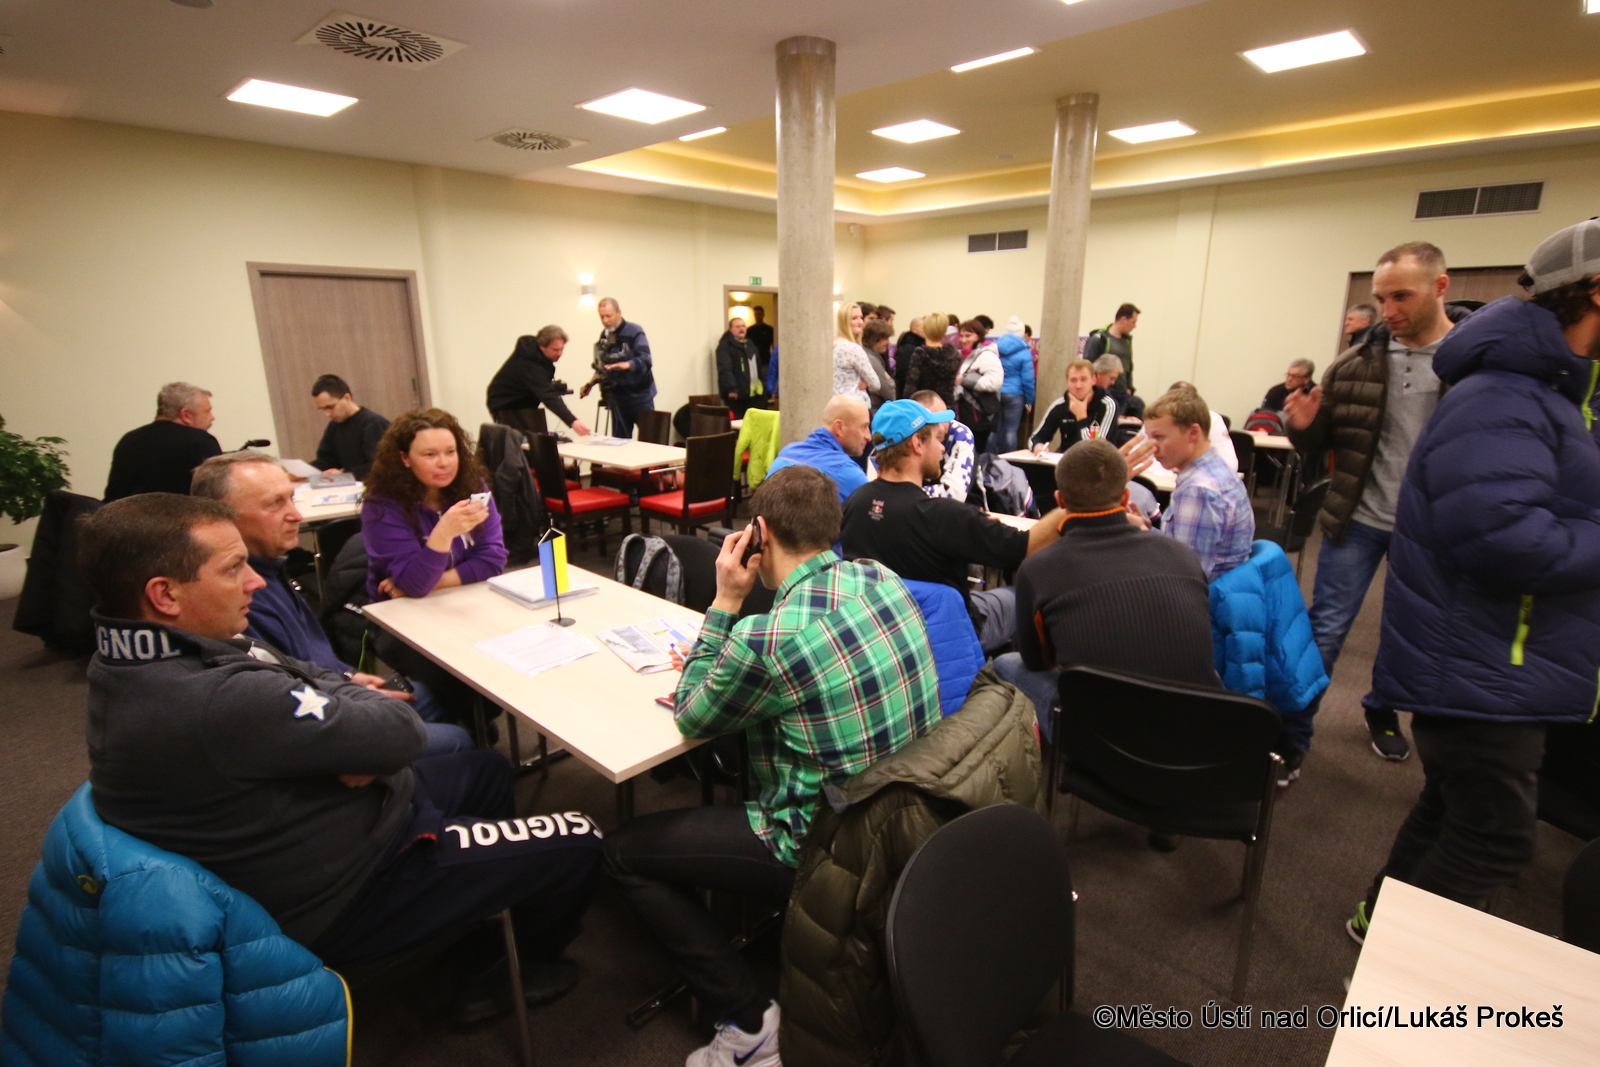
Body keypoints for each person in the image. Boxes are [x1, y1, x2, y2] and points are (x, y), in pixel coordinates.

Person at [78, 494, 602, 1024]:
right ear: (165, 594)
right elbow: (399, 728)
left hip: (327, 828)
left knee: (485, 770)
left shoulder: (130, 659)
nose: (254, 582)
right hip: (347, 888)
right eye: (233, 568)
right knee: (581, 835)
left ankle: (471, 908)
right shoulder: (218, 697)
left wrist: (346, 722)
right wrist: (357, 726)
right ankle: (501, 973)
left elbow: (308, 673)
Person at [604, 465, 940, 1067]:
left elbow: (692, 713)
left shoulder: (767, 637)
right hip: (904, 812)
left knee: (623, 853)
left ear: (758, 532)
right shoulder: (880, 577)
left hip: (821, 843)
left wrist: (725, 602)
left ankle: (750, 1022)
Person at [1347, 219, 1600, 943]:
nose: (1388, 309)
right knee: (1493, 838)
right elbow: (1504, 539)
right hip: (1484, 660)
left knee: (1452, 807)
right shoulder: (1505, 395)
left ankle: (1376, 922)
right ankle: (1398, 981)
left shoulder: (1543, 393)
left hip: (1495, 656)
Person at [1284, 242, 1467, 761]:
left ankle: (1382, 708)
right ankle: (1292, 738)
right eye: (1381, 298)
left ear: (1440, 287)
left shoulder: (1472, 364)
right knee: (1326, 629)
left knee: (1409, 634)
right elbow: (1323, 441)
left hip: (1433, 529)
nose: (1388, 311)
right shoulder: (1355, 363)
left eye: (1401, 296)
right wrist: (1302, 427)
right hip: (1359, 519)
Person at [189, 450, 471, 754]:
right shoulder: (240, 600)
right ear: (222, 519)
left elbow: (307, 661)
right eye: (274, 504)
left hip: (337, 690)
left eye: (291, 499)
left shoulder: (271, 569)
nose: (296, 515)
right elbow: (286, 706)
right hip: (325, 720)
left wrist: (349, 676)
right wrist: (353, 697)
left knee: (438, 695)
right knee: (457, 740)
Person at [993, 440, 1216, 734]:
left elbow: (1037, 662)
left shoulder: (1036, 569)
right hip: (1200, 728)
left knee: (1005, 663)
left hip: (1102, 737)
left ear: (1060, 501)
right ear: (1125, 497)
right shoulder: (1183, 554)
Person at [842, 399, 1065, 652]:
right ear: (917, 444)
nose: (942, 448)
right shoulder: (945, 517)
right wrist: (1073, 506)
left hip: (878, 634)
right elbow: (1027, 546)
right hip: (948, 636)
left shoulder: (853, 503)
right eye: (936, 440)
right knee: (1021, 598)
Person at [362, 408, 507, 603]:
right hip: (400, 609)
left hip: (463, 598)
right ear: (405, 458)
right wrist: (444, 533)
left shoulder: (473, 487)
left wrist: (433, 583)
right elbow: (414, 584)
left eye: (450, 452)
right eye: (430, 454)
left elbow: (493, 561)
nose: (444, 463)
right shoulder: (382, 504)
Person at [1143, 387, 1253, 581]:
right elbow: (1188, 547)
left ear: (1193, 433)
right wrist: (1146, 532)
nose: (1152, 447)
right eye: (1149, 438)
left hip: (1204, 596)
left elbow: (1187, 577)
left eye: (1159, 437)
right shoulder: (1218, 471)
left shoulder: (1198, 490)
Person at [103, 382, 222, 501]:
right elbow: (219, 493)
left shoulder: (129, 440)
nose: (212, 417)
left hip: (121, 512)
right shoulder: (200, 441)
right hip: (177, 513)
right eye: (207, 411)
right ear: (186, 415)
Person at [486, 326, 593, 436]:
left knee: (535, 439)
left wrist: (552, 387)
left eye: (562, 349)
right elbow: (548, 396)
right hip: (505, 404)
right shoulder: (530, 365)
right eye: (555, 350)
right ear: (542, 347)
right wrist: (573, 422)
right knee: (520, 441)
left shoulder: (537, 357)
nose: (560, 354)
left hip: (522, 401)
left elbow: (535, 385)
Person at [768, 395, 872, 504]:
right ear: (839, 428)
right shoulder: (849, 474)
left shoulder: (786, 453)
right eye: (864, 427)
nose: (868, 437)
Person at [581, 297, 657, 439]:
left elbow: (646, 359)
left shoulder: (635, 331)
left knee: (650, 440)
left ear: (619, 313)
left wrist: (627, 365)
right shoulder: (604, 335)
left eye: (608, 316)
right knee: (619, 442)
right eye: (602, 317)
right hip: (618, 399)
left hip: (640, 397)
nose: (605, 321)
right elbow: (602, 366)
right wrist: (589, 385)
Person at [310, 374, 390, 479]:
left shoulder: (373, 423)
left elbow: (381, 465)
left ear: (347, 398)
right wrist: (304, 471)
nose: (327, 414)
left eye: (330, 407)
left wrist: (344, 474)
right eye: (323, 409)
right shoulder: (334, 426)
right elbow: (328, 460)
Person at [1031, 358, 1118, 451]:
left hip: (1095, 459)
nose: (1078, 386)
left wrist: (1081, 418)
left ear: (1093, 380)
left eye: (1083, 379)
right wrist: (1038, 446)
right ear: (1067, 383)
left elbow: (1095, 450)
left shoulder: (1108, 405)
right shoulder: (1060, 404)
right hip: (1065, 457)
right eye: (1073, 380)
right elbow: (1034, 439)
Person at [910, 390, 975, 501]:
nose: (941, 428)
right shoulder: (906, 434)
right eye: (933, 422)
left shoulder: (961, 434)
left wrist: (906, 495)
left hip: (965, 506)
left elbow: (954, 494)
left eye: (944, 419)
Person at [1167, 380, 1238, 473]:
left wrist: (1193, 468)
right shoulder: (1160, 419)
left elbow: (1230, 463)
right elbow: (1147, 455)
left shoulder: (1213, 419)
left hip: (1201, 474)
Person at [954, 319, 1003, 452]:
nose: (964, 340)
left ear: (979, 336)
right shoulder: (962, 355)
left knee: (975, 454)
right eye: (961, 336)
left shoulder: (986, 355)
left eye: (968, 336)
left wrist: (965, 380)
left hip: (978, 416)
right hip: (964, 414)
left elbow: (995, 381)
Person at [904, 312, 961, 409]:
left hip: (924, 407)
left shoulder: (920, 354)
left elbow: (910, 387)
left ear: (925, 329)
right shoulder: (954, 354)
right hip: (946, 406)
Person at [1083, 302, 1140, 399]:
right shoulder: (1099, 339)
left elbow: (1128, 366)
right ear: (1124, 320)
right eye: (1133, 322)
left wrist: (1129, 387)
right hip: (1104, 392)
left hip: (1123, 392)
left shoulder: (1127, 341)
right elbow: (1088, 366)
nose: (1135, 326)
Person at [832, 302, 879, 404]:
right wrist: (866, 381)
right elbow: (875, 384)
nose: (860, 322)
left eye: (861, 318)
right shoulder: (853, 348)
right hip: (855, 404)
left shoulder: (833, 346)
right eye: (854, 318)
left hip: (836, 403)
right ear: (844, 322)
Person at [714, 316, 761, 416]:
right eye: (738, 326)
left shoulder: (750, 345)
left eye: (743, 326)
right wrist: (732, 389)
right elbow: (725, 369)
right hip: (736, 396)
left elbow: (757, 367)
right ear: (730, 329)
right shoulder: (725, 347)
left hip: (752, 395)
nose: (741, 329)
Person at [860, 319, 897, 411]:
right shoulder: (871, 359)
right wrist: (890, 381)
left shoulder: (869, 355)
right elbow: (887, 391)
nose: (888, 342)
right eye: (885, 339)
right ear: (874, 339)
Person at [894, 316, 925, 396]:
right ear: (914, 329)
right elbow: (902, 373)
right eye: (923, 328)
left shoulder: (922, 345)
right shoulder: (906, 347)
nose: (926, 330)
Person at [747, 304, 775, 384]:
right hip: (753, 360)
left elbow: (774, 345)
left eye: (759, 314)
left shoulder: (769, 329)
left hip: (765, 360)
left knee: (765, 381)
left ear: (763, 315)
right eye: (756, 314)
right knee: (754, 382)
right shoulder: (750, 330)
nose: (757, 316)